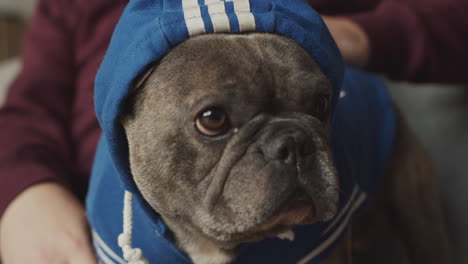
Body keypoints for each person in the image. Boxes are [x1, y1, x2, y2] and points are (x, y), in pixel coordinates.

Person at [0, 0, 466, 263]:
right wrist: (23, 190)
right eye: (215, 120)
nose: (285, 148)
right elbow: (27, 108)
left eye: (315, 105)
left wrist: (358, 36)